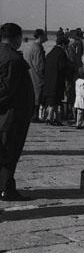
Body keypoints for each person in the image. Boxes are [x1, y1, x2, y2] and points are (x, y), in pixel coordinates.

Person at [0, 23, 33, 201]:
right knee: (9, 151)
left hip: (8, 115)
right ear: (16, 37)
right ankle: (6, 188)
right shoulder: (13, 59)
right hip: (11, 116)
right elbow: (6, 90)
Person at [43, 35, 70, 126]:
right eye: (66, 45)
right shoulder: (61, 53)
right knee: (55, 101)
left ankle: (56, 118)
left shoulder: (51, 52)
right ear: (63, 44)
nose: (67, 47)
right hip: (57, 81)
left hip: (48, 80)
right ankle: (50, 118)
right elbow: (63, 68)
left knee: (54, 101)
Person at [22, 29, 46, 121]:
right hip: (37, 76)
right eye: (44, 36)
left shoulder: (29, 46)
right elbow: (40, 65)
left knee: (32, 95)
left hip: (29, 74)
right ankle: (35, 115)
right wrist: (44, 76)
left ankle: (31, 114)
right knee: (37, 96)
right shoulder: (38, 48)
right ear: (40, 36)